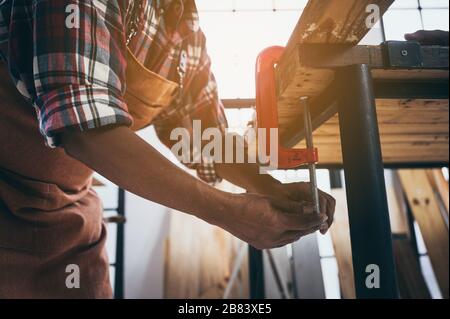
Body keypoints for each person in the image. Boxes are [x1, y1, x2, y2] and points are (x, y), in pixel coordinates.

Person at [0, 0, 335, 298]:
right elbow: (84, 130)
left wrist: (268, 188)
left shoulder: (182, 22)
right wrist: (229, 211)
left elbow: (200, 134)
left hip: (69, 216)